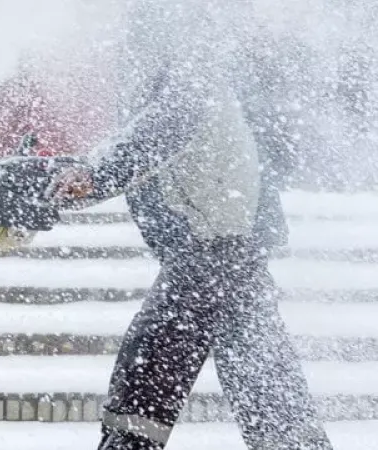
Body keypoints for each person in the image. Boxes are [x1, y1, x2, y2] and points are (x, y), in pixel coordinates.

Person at [47, 1, 334, 449]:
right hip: (226, 248)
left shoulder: (188, 65)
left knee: (151, 363)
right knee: (260, 376)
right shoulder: (186, 66)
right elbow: (149, 134)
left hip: (214, 247)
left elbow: (162, 129)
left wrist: (94, 176)